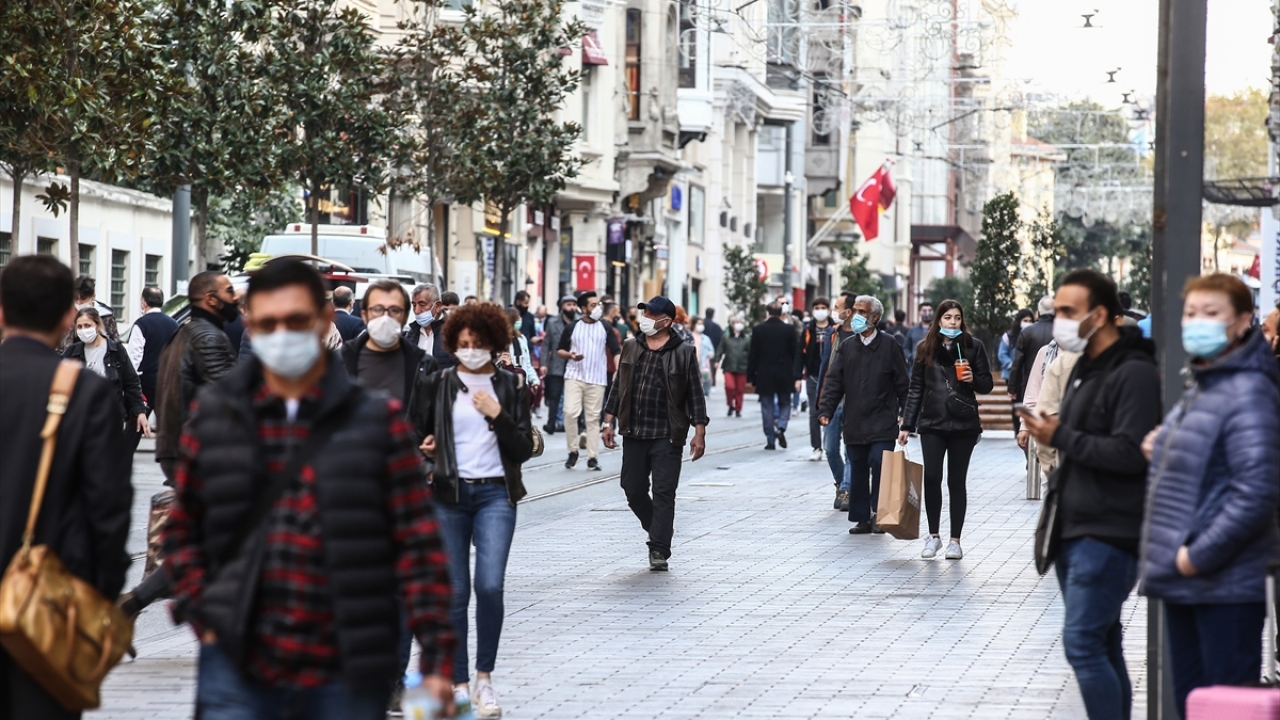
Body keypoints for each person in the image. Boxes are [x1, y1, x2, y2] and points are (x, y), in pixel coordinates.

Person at [162, 260, 456, 720]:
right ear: (251, 326)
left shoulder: (375, 421)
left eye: (296, 320)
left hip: (345, 661)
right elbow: (183, 531)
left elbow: (418, 546)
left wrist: (436, 660)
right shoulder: (219, 415)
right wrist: (207, 616)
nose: (283, 334)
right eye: (268, 323)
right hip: (239, 659)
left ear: (324, 321)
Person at [1019, 269, 1162, 720]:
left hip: (1108, 531)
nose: (1058, 319)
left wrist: (1060, 435)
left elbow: (1130, 452)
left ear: (1099, 316)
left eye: (1068, 311)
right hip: (1075, 524)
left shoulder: (1134, 372)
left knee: (1082, 642)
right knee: (1102, 640)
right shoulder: (1084, 367)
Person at [1137, 274, 1280, 716]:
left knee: (1222, 706)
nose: (1197, 322)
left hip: (1223, 584)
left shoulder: (1249, 388)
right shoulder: (1206, 383)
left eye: (1211, 313)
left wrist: (1196, 556)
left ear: (1242, 321)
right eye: (1191, 313)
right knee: (1195, 705)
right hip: (1190, 581)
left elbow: (1257, 491)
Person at [0, 255, 133, 720]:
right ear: (66, 317)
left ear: (1, 311)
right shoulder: (82, 392)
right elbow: (109, 509)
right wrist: (99, 591)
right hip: (49, 607)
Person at [414, 303, 534, 719]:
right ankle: (460, 684)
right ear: (453, 344)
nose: (470, 350)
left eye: (478, 343)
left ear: (494, 342)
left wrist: (498, 416)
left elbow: (523, 448)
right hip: (448, 496)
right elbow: (415, 438)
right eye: (463, 343)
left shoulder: (511, 386)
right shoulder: (436, 383)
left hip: (496, 495)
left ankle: (485, 679)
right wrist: (427, 460)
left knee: (490, 586)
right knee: (455, 592)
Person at [602, 296, 708, 571]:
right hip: (634, 431)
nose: (645, 318)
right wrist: (608, 422)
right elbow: (618, 387)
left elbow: (695, 394)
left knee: (664, 491)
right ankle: (658, 528)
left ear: (666, 321)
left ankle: (659, 548)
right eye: (645, 313)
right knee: (632, 488)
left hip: (667, 434)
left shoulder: (683, 351)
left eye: (651, 314)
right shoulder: (631, 346)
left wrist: (699, 431)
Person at [898, 299, 993, 560]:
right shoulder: (925, 348)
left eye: (957, 318)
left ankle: (955, 541)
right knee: (931, 477)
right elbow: (916, 389)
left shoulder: (973, 346)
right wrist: (907, 424)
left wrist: (973, 379)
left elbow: (987, 384)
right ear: (939, 319)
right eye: (948, 317)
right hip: (932, 422)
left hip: (963, 423)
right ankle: (933, 536)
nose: (953, 322)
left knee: (956, 481)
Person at [818, 294, 909, 534]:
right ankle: (862, 517)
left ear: (875, 317)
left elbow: (903, 384)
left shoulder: (890, 345)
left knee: (879, 463)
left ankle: (879, 514)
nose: (856, 316)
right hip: (855, 420)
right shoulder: (848, 346)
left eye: (862, 312)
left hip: (882, 420)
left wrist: (907, 418)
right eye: (855, 311)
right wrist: (826, 409)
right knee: (857, 468)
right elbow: (834, 381)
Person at [155, 270, 238, 486]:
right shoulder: (208, 336)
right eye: (229, 291)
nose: (235, 297)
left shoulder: (184, 333)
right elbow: (231, 398)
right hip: (197, 453)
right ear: (211, 299)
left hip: (177, 450)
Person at [63, 307, 152, 456]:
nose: (83, 330)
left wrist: (140, 412)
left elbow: (131, 382)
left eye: (87, 325)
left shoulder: (115, 350)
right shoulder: (72, 353)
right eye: (80, 326)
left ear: (97, 325)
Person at [342, 279, 434, 419]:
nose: (385, 318)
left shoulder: (424, 365)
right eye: (378, 309)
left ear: (405, 317)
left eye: (394, 310)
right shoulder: (340, 361)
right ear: (364, 315)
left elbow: (429, 421)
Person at [557, 291, 620, 471]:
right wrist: (570, 355)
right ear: (583, 308)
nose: (598, 307)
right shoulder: (572, 327)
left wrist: (618, 370)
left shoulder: (605, 327)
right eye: (593, 305)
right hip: (574, 375)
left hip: (597, 378)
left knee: (593, 418)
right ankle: (573, 450)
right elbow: (560, 350)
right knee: (570, 412)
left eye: (599, 304)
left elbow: (616, 350)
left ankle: (592, 456)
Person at [817, 293, 860, 512]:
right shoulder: (832, 333)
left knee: (850, 448)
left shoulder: (863, 336)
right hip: (833, 400)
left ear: (848, 311)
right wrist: (820, 400)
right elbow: (825, 366)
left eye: (837, 306)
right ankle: (841, 482)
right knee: (830, 448)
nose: (833, 311)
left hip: (854, 400)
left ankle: (847, 490)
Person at [748, 303, 801, 450]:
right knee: (785, 402)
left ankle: (770, 439)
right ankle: (781, 427)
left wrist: (751, 375)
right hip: (785, 372)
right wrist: (796, 373)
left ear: (768, 312)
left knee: (767, 406)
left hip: (764, 373)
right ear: (781, 313)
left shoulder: (758, 329)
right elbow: (795, 353)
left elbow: (753, 354)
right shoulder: (789, 329)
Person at [126, 285, 179, 412]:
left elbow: (134, 356)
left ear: (144, 303)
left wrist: (129, 381)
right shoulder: (174, 324)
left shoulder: (142, 324)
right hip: (168, 380)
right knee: (165, 419)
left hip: (146, 382)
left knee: (139, 418)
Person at [802, 297, 837, 461]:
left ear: (828, 310)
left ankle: (829, 444)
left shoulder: (834, 329)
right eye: (817, 308)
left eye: (823, 307)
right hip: (813, 376)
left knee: (831, 411)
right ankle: (816, 447)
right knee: (814, 413)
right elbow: (800, 353)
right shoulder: (808, 330)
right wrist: (797, 376)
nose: (820, 310)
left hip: (831, 377)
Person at [540, 295, 577, 434]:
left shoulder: (580, 321)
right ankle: (551, 423)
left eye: (574, 304)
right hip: (557, 364)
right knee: (554, 396)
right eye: (569, 304)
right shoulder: (552, 322)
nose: (572, 307)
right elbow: (546, 345)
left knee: (574, 396)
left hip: (575, 365)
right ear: (562, 306)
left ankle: (576, 424)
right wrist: (543, 364)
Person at [1008, 296, 1056, 403]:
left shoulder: (1026, 332)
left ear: (1038, 313)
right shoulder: (1061, 332)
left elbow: (1017, 362)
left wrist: (1012, 387)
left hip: (1029, 384)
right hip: (1055, 385)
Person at [63, 274, 120, 349]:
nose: (79, 302)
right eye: (76, 299)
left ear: (93, 297)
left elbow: (115, 342)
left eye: (83, 299)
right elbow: (63, 344)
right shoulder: (67, 315)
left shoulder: (106, 315)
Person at [405, 283, 454, 369]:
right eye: (414, 305)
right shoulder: (410, 334)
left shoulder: (453, 333)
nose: (416, 311)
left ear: (437, 306)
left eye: (422, 304)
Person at [714, 317, 750, 417]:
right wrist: (717, 360)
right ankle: (730, 404)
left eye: (740, 322)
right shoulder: (726, 337)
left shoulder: (747, 339)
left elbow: (751, 352)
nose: (739, 324)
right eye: (736, 322)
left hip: (742, 366)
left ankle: (738, 409)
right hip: (729, 366)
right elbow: (720, 349)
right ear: (732, 325)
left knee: (740, 389)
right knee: (729, 386)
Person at [501, 306, 539, 389]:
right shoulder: (501, 340)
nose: (520, 320)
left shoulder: (521, 338)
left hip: (523, 384)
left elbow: (527, 364)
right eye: (517, 318)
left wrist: (534, 380)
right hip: (507, 384)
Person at [999, 309, 1034, 381]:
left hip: (1029, 375)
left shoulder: (1035, 336)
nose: (1028, 323)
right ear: (1019, 321)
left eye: (1030, 321)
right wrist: (1012, 366)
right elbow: (1002, 354)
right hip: (1011, 375)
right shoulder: (1008, 336)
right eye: (1025, 321)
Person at [691, 317, 715, 397]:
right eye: (699, 324)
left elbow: (712, 351)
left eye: (702, 324)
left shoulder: (706, 338)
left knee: (706, 379)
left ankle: (705, 393)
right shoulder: (689, 336)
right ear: (694, 325)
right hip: (692, 363)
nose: (701, 326)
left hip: (704, 364)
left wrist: (710, 354)